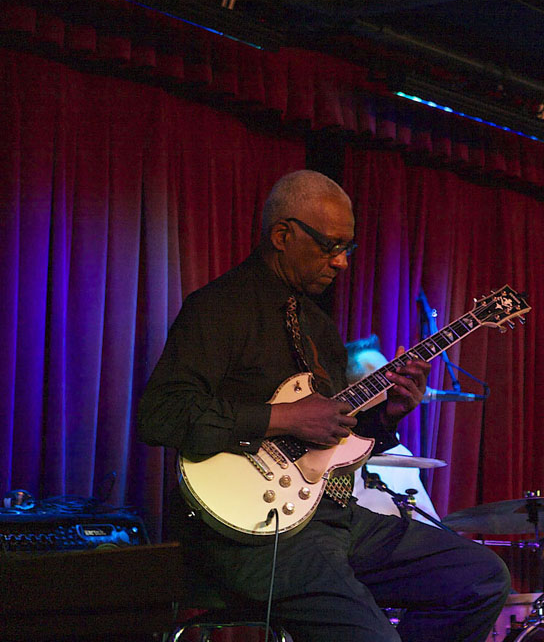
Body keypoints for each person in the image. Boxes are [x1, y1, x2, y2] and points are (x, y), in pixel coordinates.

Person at [137, 169, 510, 642]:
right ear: (282, 235)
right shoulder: (218, 307)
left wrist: (387, 415)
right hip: (252, 538)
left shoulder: (318, 326)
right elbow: (160, 414)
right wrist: (284, 417)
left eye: (347, 249)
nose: (342, 263)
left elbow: (329, 442)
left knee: (480, 578)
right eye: (331, 246)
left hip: (333, 519)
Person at [345, 334, 441, 526]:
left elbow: (430, 526)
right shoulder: (327, 450)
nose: (392, 387)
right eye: (376, 382)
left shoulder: (400, 454)